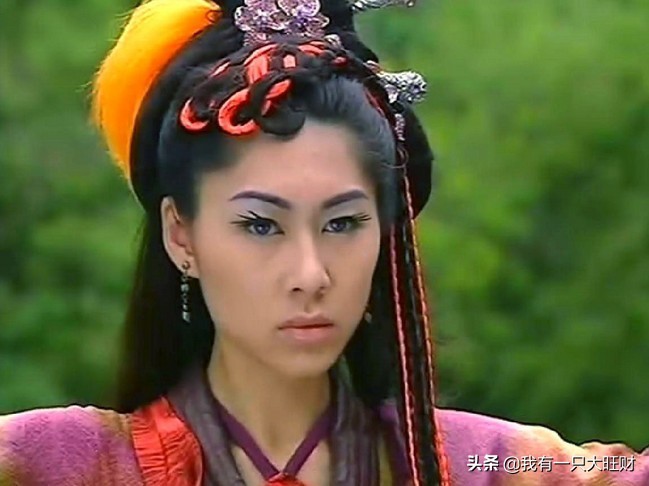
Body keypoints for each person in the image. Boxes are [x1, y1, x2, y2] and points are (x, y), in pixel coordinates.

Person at [0, 0, 647, 484]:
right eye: (260, 225)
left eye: (342, 223)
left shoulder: (483, 464)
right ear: (181, 234)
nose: (311, 274)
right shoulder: (52, 464)